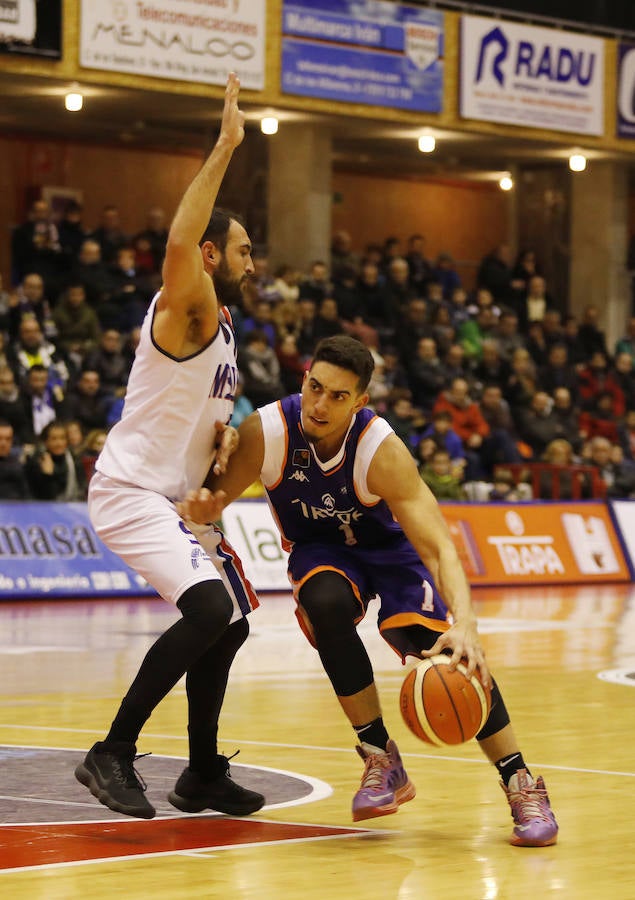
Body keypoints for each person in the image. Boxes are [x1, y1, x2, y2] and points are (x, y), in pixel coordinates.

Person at [179, 335, 558, 847]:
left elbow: (440, 547)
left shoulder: (381, 450)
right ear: (304, 379)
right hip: (324, 552)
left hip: (393, 553)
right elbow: (212, 499)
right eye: (315, 387)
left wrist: (466, 624)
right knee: (324, 603)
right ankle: (381, 758)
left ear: (360, 402)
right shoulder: (268, 431)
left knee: (442, 650)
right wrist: (206, 492)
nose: (319, 404)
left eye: (338, 396)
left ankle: (521, 783)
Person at [74, 74, 264, 822]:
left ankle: (201, 773)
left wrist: (219, 447)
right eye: (245, 250)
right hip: (129, 491)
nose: (255, 261)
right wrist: (224, 145)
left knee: (234, 619)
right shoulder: (189, 303)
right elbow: (180, 238)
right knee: (211, 607)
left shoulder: (221, 332)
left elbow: (199, 419)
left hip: (176, 501)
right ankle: (111, 752)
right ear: (215, 256)